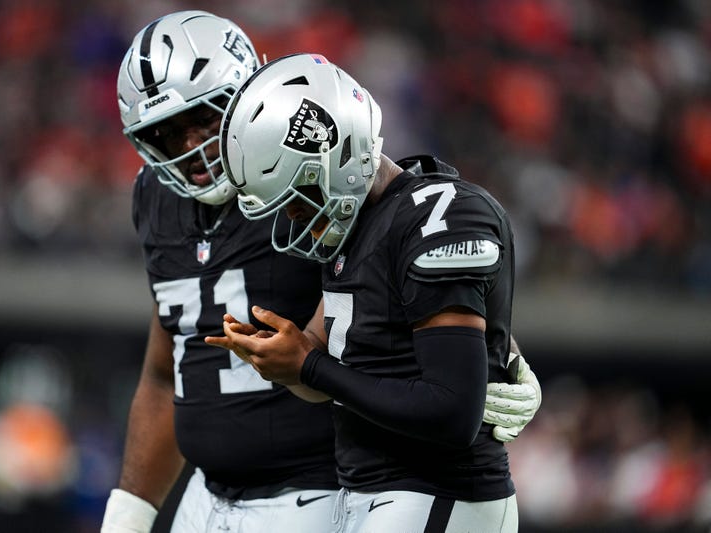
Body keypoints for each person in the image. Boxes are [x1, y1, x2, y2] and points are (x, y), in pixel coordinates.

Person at [102, 12, 540, 533]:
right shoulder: (155, 197)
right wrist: (128, 513)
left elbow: (411, 271)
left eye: (204, 118)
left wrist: (504, 354)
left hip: (321, 492)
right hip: (204, 492)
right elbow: (165, 363)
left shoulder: (310, 177)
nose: (191, 148)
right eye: (166, 134)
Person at [210, 52, 529, 532]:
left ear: (337, 154)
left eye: (300, 196)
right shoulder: (364, 226)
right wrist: (280, 356)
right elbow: (324, 364)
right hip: (377, 492)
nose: (295, 218)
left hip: (438, 490)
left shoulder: (439, 215)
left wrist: (310, 367)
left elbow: (451, 414)